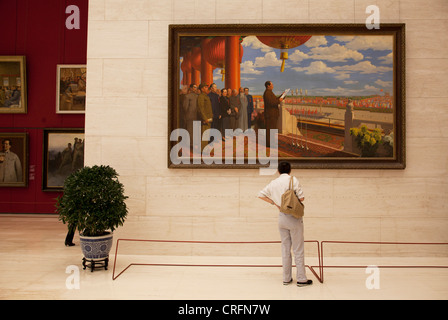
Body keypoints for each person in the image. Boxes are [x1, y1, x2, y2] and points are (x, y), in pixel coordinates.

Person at [258, 161, 312, 287]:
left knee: (285, 248)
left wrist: (275, 203)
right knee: (298, 249)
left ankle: (286, 278)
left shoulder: (274, 183)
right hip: (294, 217)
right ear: (290, 170)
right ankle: (301, 279)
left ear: (278, 171)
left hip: (281, 217)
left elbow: (260, 194)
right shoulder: (293, 180)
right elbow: (302, 198)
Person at [263, 81, 283, 147]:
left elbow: (274, 100)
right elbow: (271, 103)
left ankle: (271, 143)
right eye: (272, 84)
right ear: (268, 86)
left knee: (272, 129)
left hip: (272, 114)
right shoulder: (267, 93)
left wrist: (282, 96)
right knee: (270, 130)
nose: (273, 86)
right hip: (270, 114)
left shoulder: (269, 92)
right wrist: (279, 101)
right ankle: (269, 144)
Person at [197, 83, 213, 150]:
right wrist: (205, 118)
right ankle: (202, 150)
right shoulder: (201, 96)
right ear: (202, 89)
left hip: (209, 118)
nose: (207, 89)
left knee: (206, 134)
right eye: (206, 87)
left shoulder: (206, 96)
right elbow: (201, 108)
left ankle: (204, 148)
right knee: (204, 134)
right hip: (205, 119)